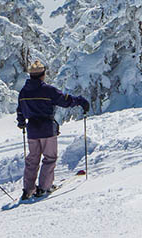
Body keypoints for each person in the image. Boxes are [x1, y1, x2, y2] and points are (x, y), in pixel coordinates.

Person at [17, 60, 90, 200]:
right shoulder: (48, 90)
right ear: (43, 74)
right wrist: (80, 101)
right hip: (47, 128)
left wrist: (21, 122)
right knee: (49, 158)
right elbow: (65, 100)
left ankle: (28, 189)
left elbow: (20, 109)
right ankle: (44, 187)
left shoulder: (23, 92)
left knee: (32, 159)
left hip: (32, 129)